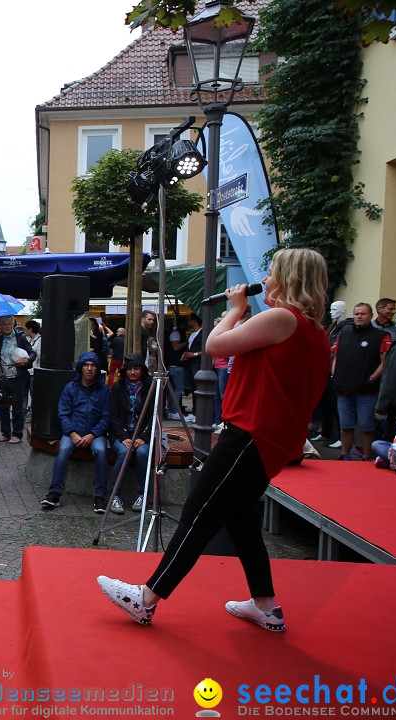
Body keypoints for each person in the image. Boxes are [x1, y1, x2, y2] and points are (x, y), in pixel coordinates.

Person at [96, 248, 331, 633]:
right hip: (272, 438)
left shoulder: (282, 319)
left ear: (288, 278)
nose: (267, 279)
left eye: (272, 272)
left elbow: (214, 346)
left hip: (252, 435)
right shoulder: (316, 332)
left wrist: (236, 308)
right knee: (243, 519)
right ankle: (265, 605)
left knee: (198, 512)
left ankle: (147, 597)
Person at [40, 351, 113, 514]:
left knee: (101, 451)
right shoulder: (71, 387)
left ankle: (100, 496)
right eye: (86, 365)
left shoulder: (104, 390)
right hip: (73, 431)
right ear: (80, 367)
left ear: (97, 368)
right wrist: (72, 433)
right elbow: (63, 413)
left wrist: (93, 434)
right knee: (64, 450)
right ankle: (54, 494)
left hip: (95, 434)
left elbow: (106, 417)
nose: (89, 369)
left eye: (93, 365)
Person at [331, 302, 391, 460]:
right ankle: (345, 454)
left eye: (363, 314)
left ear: (371, 316)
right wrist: (334, 374)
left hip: (367, 391)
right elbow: (336, 356)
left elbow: (385, 362)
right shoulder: (344, 333)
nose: (359, 316)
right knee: (345, 425)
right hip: (343, 388)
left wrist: (371, 379)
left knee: (366, 426)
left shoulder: (380, 336)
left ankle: (366, 456)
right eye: (356, 313)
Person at [108, 353, 155, 512]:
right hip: (121, 434)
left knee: (143, 453)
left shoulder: (151, 386)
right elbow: (113, 414)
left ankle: (143, 494)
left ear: (142, 369)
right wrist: (123, 437)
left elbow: (154, 415)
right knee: (124, 453)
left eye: (136, 369)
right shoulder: (118, 387)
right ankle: (115, 495)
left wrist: (143, 437)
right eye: (130, 369)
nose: (133, 372)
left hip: (143, 434)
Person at [0, 315, 35, 444]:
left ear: (13, 324)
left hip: (17, 376)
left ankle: (17, 434)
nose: (6, 326)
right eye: (4, 324)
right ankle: (5, 433)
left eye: (9, 324)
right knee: (3, 406)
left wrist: (26, 360)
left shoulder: (20, 337)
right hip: (3, 377)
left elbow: (32, 353)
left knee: (17, 406)